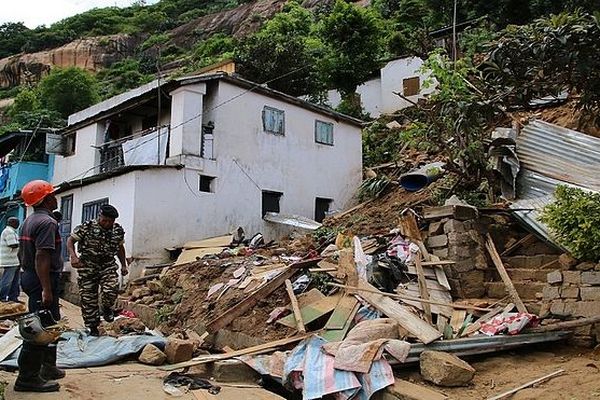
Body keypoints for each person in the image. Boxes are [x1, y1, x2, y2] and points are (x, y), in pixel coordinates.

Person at [15, 180, 65, 392]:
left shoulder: (28, 221)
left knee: (50, 324)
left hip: (30, 276)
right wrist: (46, 289)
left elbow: (22, 253)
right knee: (37, 329)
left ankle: (48, 366)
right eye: (52, 195)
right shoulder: (48, 223)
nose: (55, 198)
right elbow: (41, 257)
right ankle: (27, 378)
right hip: (41, 278)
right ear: (46, 199)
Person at [67, 204, 128, 336]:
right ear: (99, 216)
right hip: (88, 267)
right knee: (88, 300)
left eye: (110, 221)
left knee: (111, 289)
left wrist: (123, 265)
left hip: (107, 266)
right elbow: (70, 240)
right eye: (104, 220)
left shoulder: (117, 231)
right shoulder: (87, 227)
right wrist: (73, 256)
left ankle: (107, 308)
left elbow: (120, 248)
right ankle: (93, 327)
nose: (106, 223)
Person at [0, 217, 21, 302]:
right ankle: (2, 297)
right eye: (17, 222)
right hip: (9, 261)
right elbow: (12, 244)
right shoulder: (9, 231)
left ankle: (13, 297)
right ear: (12, 223)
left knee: (15, 282)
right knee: (7, 281)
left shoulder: (12, 232)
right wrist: (23, 243)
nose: (18, 224)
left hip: (14, 261)